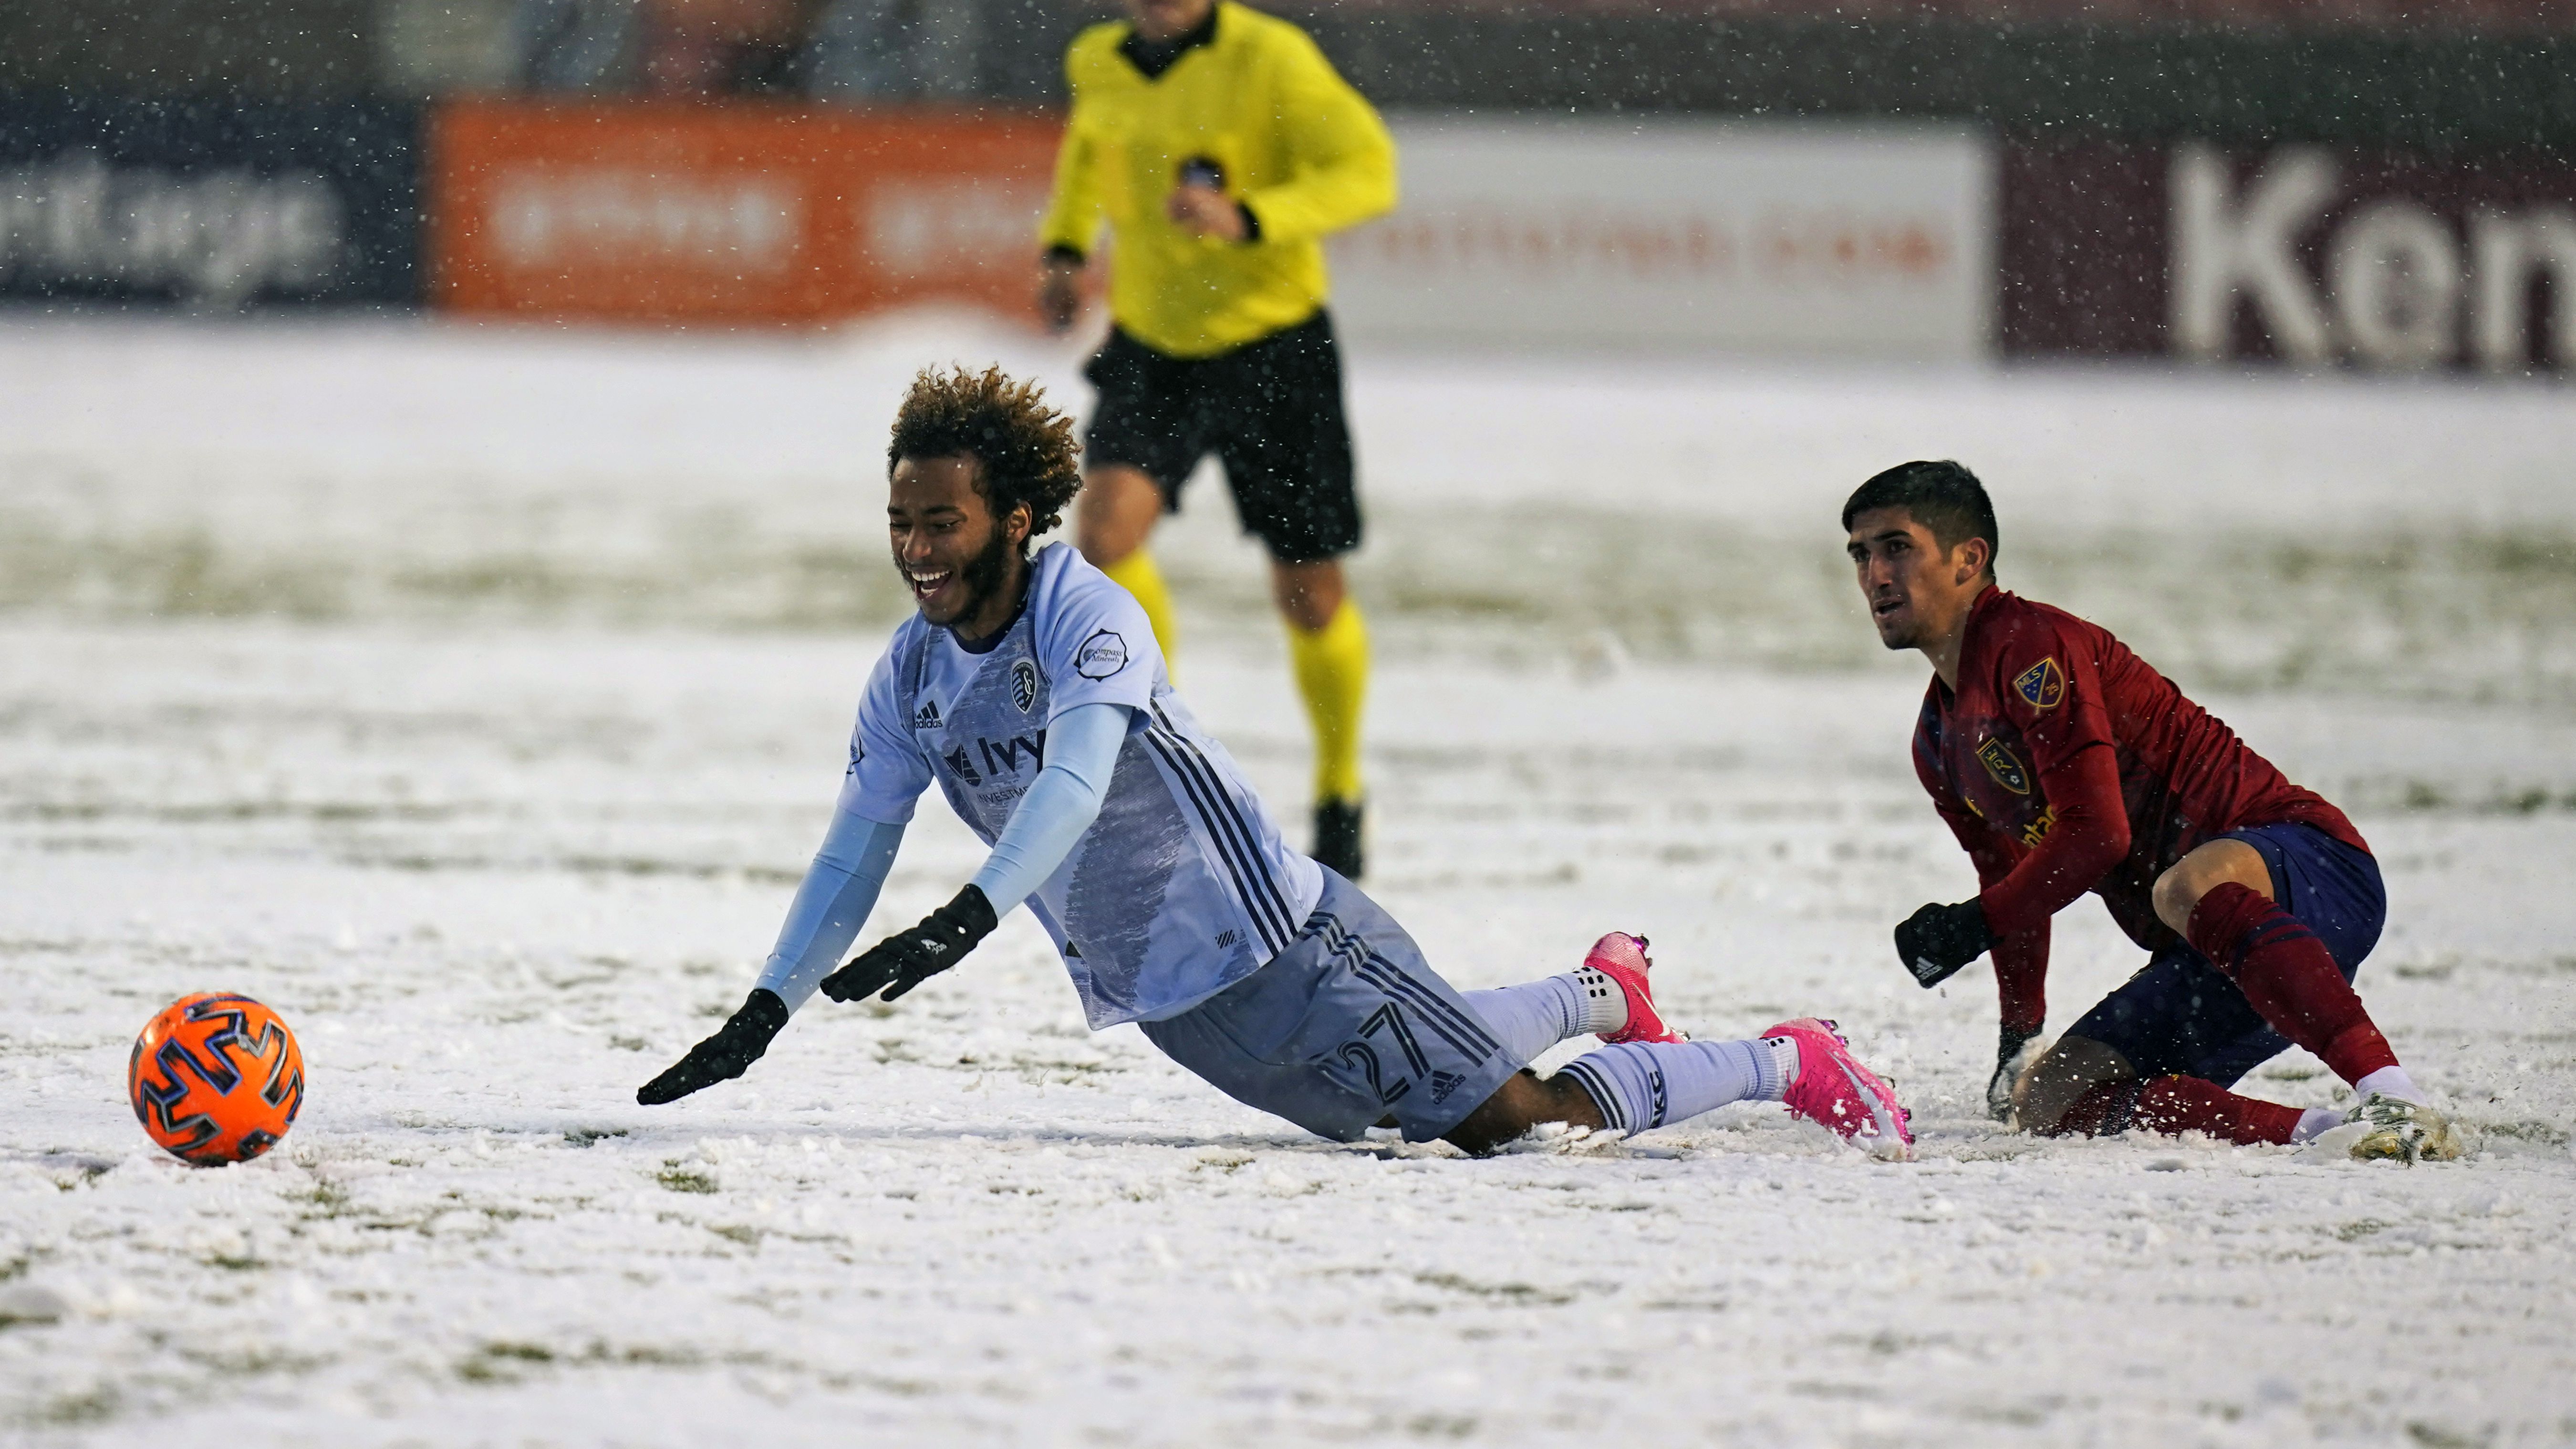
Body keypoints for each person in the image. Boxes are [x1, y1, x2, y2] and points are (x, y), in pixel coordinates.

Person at [636, 366, 1915, 1162]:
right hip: (1172, 1001)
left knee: (1508, 1126)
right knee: (1419, 1095)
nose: (917, 548)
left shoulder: (1090, 615)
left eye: (943, 521)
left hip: (1288, 942)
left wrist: (965, 919)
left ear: (1016, 517)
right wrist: (764, 1013)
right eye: (902, 521)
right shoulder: (911, 672)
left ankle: (1784, 1055)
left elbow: (1075, 789)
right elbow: (854, 848)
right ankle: (1599, 988)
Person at [1844, 460, 2460, 1162]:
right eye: (1861, 554)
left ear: (1968, 559)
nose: (1875, 575)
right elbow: (2012, 887)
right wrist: (2020, 1035)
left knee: (2183, 885)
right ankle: (2327, 1133)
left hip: (2312, 870)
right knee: (2051, 1100)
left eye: (1897, 547)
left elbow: (2099, 834)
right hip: (2220, 952)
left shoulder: (2028, 646)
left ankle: (2395, 1094)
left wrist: (1972, 926)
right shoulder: (1939, 742)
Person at [1032, 0, 1393, 878]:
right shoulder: (1100, 60)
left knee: (1308, 592)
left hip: (1274, 350)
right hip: (1155, 348)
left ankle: (1340, 785)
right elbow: (1090, 149)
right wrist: (1068, 247)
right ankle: (1175, 757)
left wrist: (1255, 214)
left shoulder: (1271, 59)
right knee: (1105, 536)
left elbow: (1370, 170)